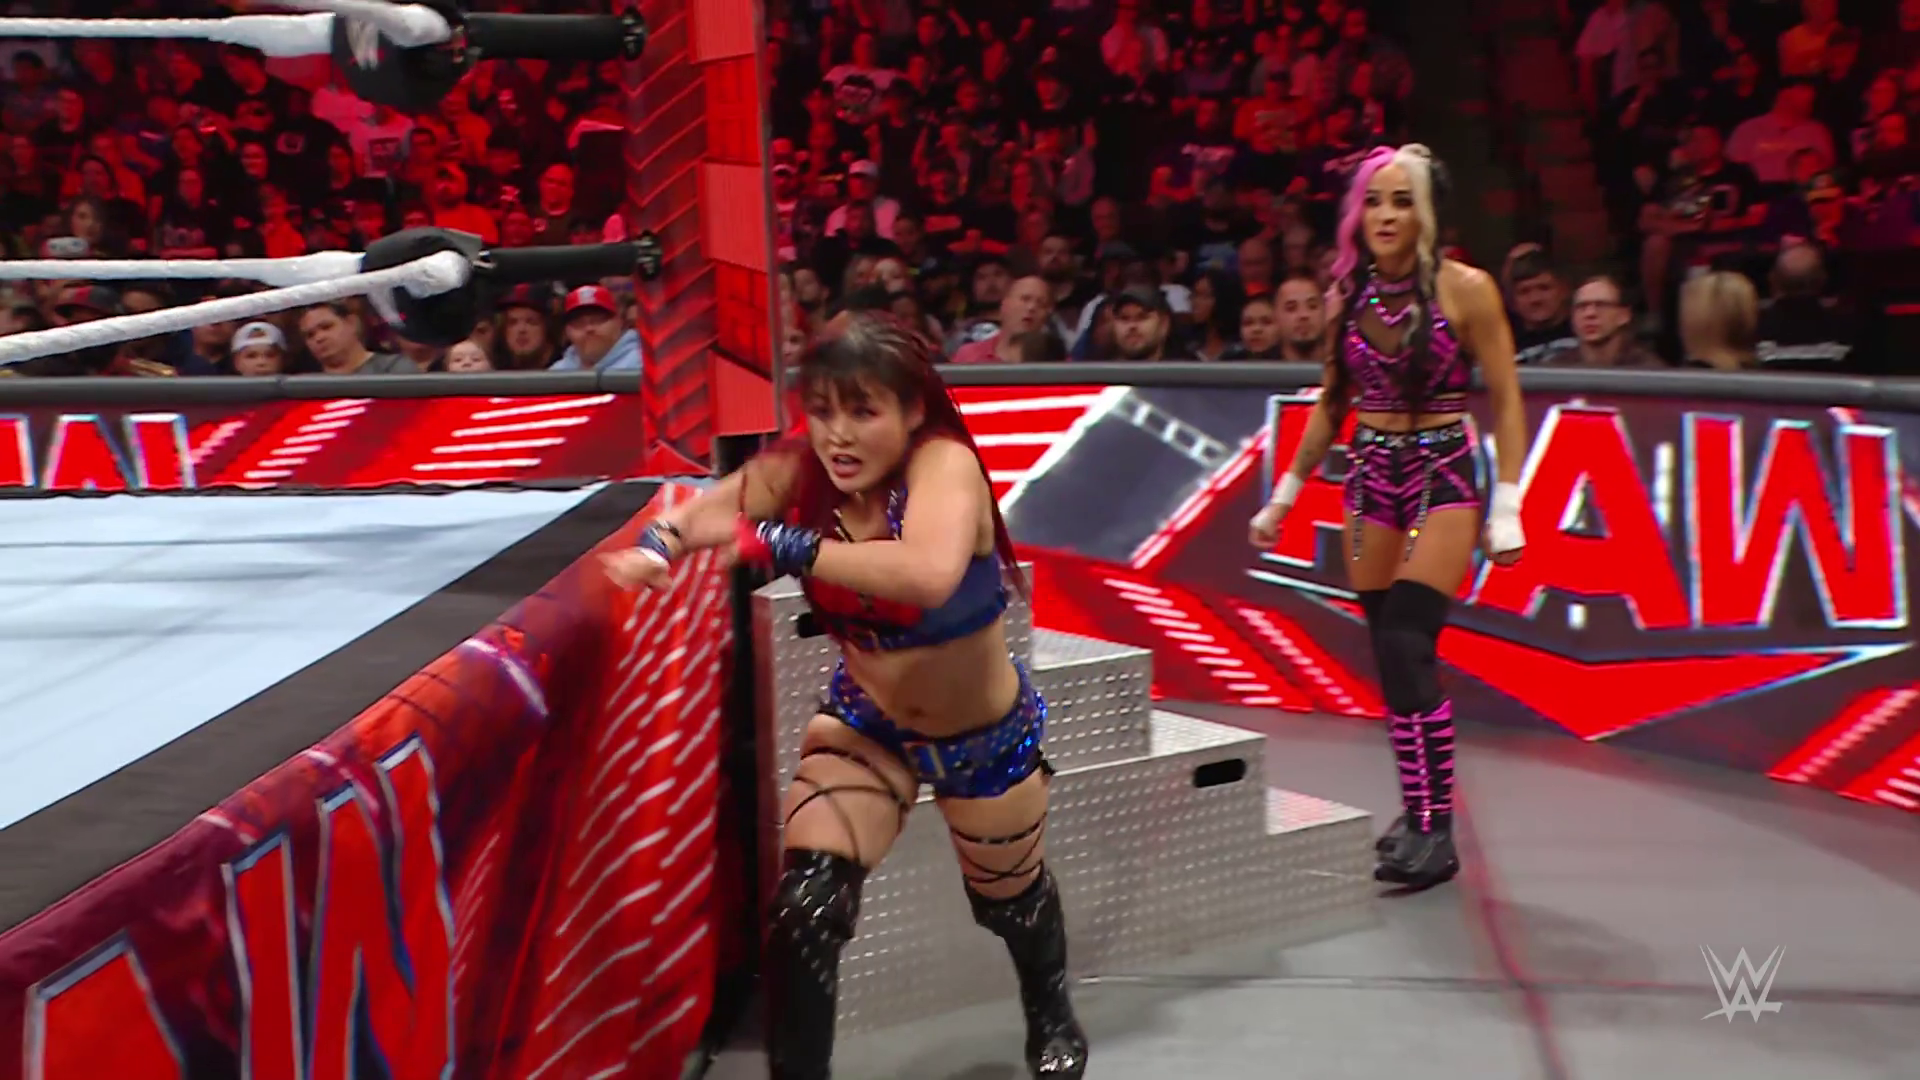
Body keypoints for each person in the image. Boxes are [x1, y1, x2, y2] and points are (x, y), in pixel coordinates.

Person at [602, 312, 1087, 1079]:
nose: (839, 434)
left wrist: (783, 542)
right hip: (867, 727)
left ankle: (1050, 1006)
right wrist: (658, 547)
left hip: (982, 738)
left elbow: (927, 573)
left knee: (1010, 903)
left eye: (863, 411)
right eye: (824, 410)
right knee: (806, 907)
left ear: (912, 410)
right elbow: (710, 510)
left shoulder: (945, 464)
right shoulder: (806, 466)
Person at [1246, 144, 1531, 891]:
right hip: (1370, 475)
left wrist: (1508, 503)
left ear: (1427, 211)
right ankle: (1417, 810)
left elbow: (1507, 399)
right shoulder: (1348, 295)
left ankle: (1436, 830)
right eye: (1374, 200)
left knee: (1408, 643)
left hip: (1443, 471)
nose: (1385, 215)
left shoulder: (1468, 290)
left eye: (1402, 201)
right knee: (1388, 652)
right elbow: (1331, 402)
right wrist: (1286, 494)